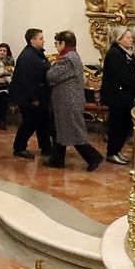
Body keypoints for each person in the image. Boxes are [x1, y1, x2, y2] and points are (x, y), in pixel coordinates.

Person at [45, 32, 102, 171]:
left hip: (68, 102)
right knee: (62, 130)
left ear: (63, 43)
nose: (56, 46)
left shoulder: (67, 59)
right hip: (68, 101)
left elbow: (51, 76)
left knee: (74, 131)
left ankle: (93, 157)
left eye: (57, 43)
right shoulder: (72, 55)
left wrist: (53, 65)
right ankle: (57, 159)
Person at [10, 29, 54, 159]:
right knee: (29, 123)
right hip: (30, 97)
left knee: (42, 121)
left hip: (41, 95)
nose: (43, 40)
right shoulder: (27, 57)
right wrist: (33, 98)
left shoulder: (37, 54)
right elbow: (27, 80)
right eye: (41, 38)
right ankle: (19, 147)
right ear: (32, 41)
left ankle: (46, 147)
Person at [101, 28, 135, 165]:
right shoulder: (115, 54)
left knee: (125, 124)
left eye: (131, 37)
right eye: (128, 37)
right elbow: (122, 76)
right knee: (117, 125)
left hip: (125, 95)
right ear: (119, 39)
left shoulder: (127, 53)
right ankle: (112, 152)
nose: (131, 40)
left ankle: (117, 150)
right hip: (117, 96)